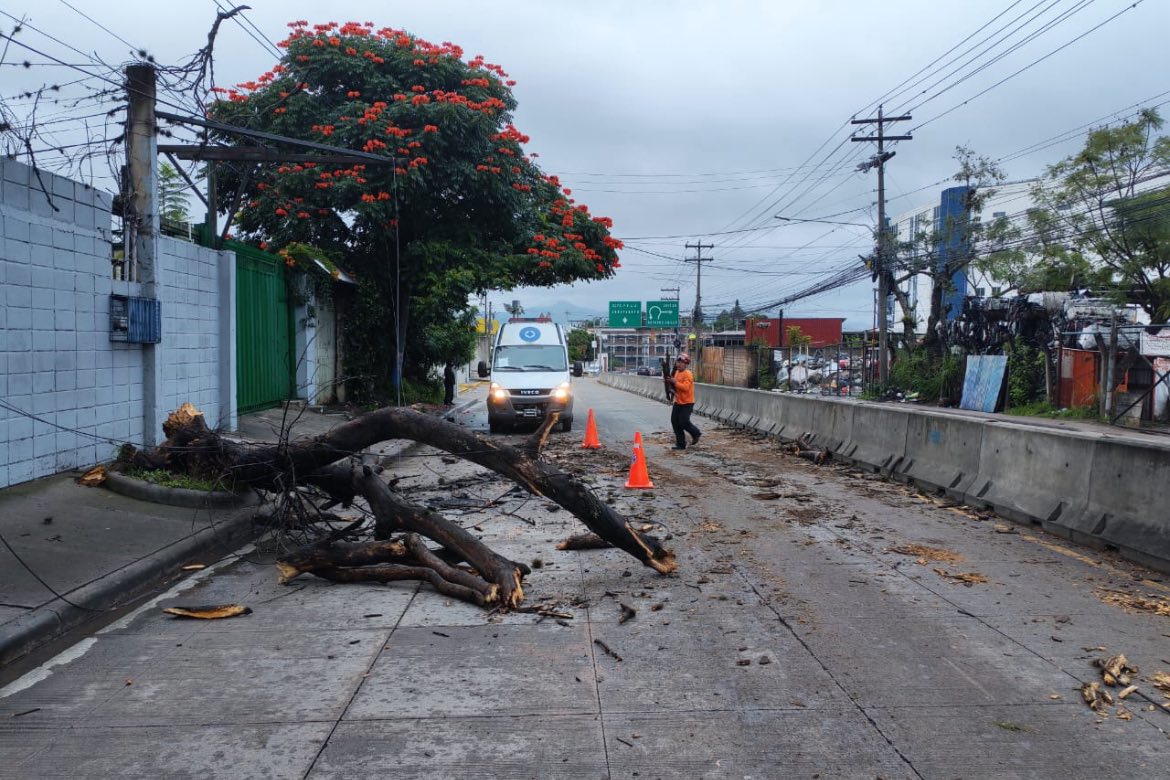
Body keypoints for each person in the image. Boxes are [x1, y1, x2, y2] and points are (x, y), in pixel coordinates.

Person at [664, 353, 700, 450]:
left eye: (682, 363)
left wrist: (675, 382)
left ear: (686, 364)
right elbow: (675, 387)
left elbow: (685, 388)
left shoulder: (688, 374)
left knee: (683, 421)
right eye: (678, 362)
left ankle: (696, 433)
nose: (679, 364)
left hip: (687, 403)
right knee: (675, 422)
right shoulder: (676, 373)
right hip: (678, 402)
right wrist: (669, 384)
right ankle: (680, 444)